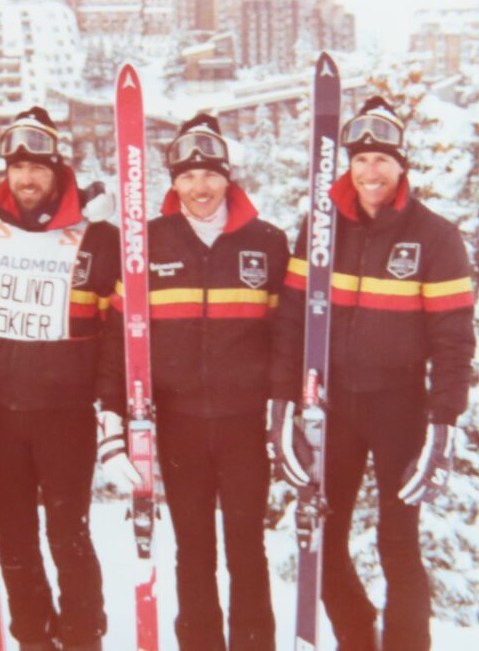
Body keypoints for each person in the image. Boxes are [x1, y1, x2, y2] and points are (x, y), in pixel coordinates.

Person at [267, 97, 476, 651]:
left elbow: (453, 341)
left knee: (397, 542)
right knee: (323, 538)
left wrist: (442, 424)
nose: (371, 172)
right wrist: (282, 407)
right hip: (332, 408)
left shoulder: (435, 237)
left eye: (382, 160)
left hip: (398, 406)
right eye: (360, 160)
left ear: (402, 165)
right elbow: (292, 320)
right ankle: (358, 637)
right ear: (348, 166)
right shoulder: (320, 229)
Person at [98, 113, 285, 651]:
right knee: (193, 550)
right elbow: (118, 337)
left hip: (243, 426)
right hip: (178, 425)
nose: (199, 188)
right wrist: (112, 415)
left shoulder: (266, 243)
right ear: (173, 183)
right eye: (187, 177)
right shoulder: (147, 245)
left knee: (248, 547)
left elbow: (289, 337)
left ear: (227, 176)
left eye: (209, 175)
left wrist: (285, 413)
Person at [0, 107, 119, 651]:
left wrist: (107, 403)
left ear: (58, 171)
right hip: (0, 408)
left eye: (37, 167)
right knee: (14, 536)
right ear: (4, 172)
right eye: (16, 168)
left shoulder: (97, 235)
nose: (26, 179)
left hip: (65, 413)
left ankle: (81, 635)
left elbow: (119, 328)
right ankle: (33, 634)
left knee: (67, 533)